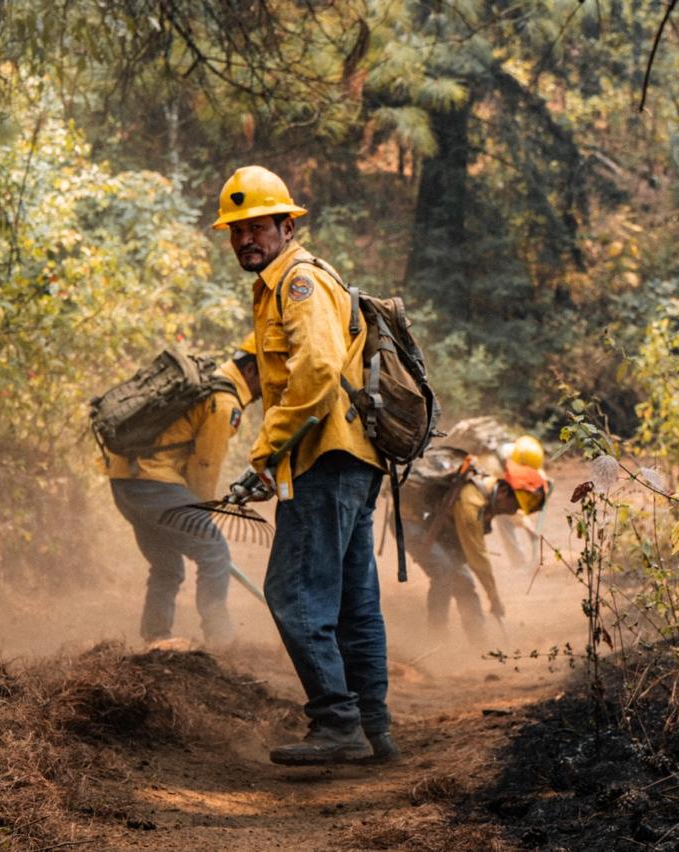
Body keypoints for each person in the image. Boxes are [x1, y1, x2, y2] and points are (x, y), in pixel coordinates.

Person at [212, 165, 397, 766]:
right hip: (346, 459)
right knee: (351, 602)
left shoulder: (298, 282)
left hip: (327, 460)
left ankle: (337, 723)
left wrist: (265, 450)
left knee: (292, 592)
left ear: (286, 227)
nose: (245, 239)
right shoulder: (279, 285)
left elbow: (316, 372)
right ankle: (375, 729)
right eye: (236, 230)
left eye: (257, 227)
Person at [107, 337, 261, 646]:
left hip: (124, 480)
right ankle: (221, 640)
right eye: (273, 372)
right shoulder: (224, 403)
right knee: (213, 549)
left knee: (167, 566)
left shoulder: (208, 382)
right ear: (251, 370)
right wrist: (203, 514)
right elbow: (204, 466)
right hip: (153, 484)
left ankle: (155, 637)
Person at [402, 436, 550, 644]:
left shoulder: (489, 486)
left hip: (432, 527)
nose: (513, 511)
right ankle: (437, 638)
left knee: (464, 583)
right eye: (515, 505)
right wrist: (494, 597)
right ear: (504, 492)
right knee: (444, 571)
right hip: (408, 521)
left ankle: (480, 644)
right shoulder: (472, 504)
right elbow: (477, 557)